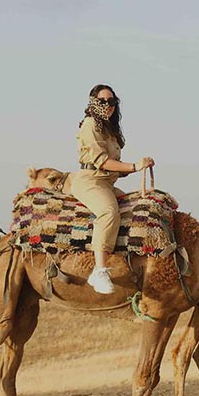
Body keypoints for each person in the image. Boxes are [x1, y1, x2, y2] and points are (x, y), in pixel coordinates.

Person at [64, 85, 154, 295]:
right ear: (93, 102)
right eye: (102, 101)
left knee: (139, 204)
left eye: (112, 101)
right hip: (90, 181)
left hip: (107, 183)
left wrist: (140, 165)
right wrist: (134, 166)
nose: (108, 105)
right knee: (109, 211)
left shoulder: (109, 130)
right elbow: (102, 162)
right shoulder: (90, 125)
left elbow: (115, 168)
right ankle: (99, 270)